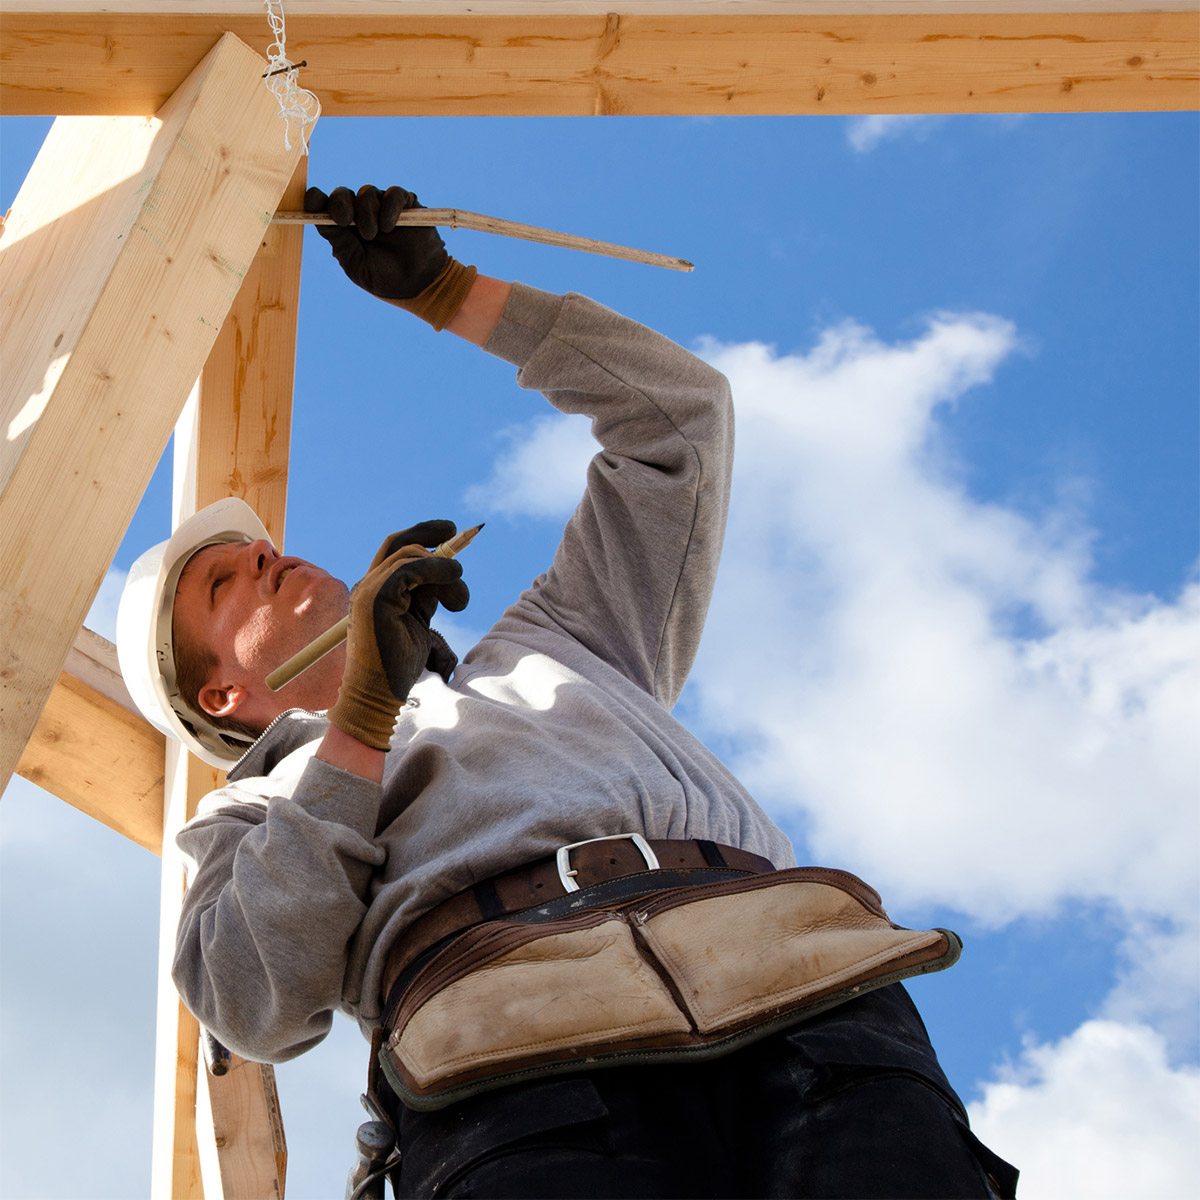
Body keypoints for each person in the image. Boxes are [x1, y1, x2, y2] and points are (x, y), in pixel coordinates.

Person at [116, 183, 1018, 1199]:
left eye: (256, 545)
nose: (265, 553)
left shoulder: (561, 642)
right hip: (515, 1058)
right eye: (223, 583)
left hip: (796, 992)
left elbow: (677, 420)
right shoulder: (246, 813)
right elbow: (251, 999)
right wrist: (360, 725)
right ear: (226, 697)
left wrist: (450, 292)